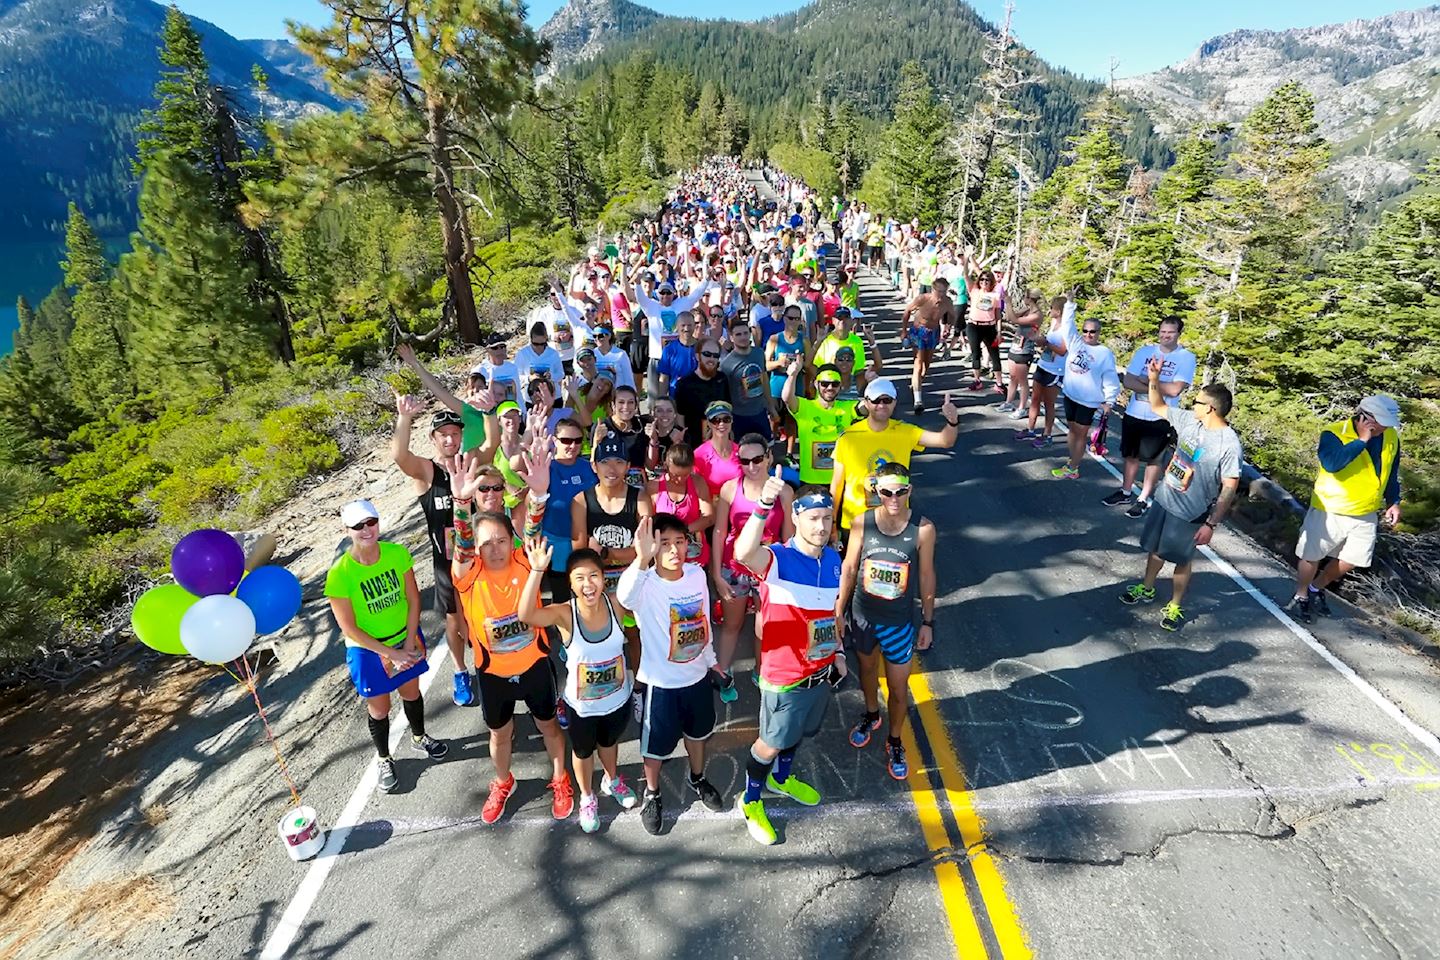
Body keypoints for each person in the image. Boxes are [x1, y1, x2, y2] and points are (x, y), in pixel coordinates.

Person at [449, 460, 573, 825]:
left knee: (548, 725)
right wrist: (460, 502)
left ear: (511, 540)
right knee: (499, 734)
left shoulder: (524, 560)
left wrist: (537, 494)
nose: (495, 548)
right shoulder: (468, 576)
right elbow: (462, 544)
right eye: (486, 543)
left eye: (502, 540)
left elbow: (532, 528)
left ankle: (560, 778)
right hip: (493, 674)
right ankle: (503, 782)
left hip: (534, 665)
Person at [732, 478, 844, 846]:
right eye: (813, 518)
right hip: (785, 677)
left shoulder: (832, 559)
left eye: (827, 518)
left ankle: (782, 779)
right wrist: (763, 505)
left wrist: (838, 652)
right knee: (770, 742)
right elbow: (744, 553)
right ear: (796, 518)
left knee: (796, 735)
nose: (821, 526)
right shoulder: (778, 558)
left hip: (821, 671)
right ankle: (750, 801)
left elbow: (830, 614)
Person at [325, 499, 448, 794]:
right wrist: (391, 654)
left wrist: (407, 643)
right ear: (347, 530)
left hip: (404, 637)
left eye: (371, 522)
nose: (366, 530)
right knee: (379, 708)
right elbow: (349, 627)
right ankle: (384, 757)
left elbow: (413, 599)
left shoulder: (396, 553)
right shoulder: (339, 574)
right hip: (368, 650)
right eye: (358, 526)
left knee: (411, 691)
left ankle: (419, 737)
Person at [616, 515, 728, 835]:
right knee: (654, 748)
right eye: (664, 543)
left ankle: (697, 778)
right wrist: (641, 557)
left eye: (679, 541)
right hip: (660, 685)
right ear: (653, 547)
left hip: (696, 679)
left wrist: (712, 662)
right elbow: (624, 598)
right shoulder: (644, 583)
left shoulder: (695, 575)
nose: (674, 550)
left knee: (698, 734)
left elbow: (702, 622)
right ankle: (652, 793)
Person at [518, 541, 640, 833]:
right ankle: (587, 796)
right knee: (583, 752)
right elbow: (526, 615)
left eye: (594, 576)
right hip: (582, 707)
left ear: (604, 577)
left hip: (617, 700)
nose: (588, 585)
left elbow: (639, 580)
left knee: (609, 744)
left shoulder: (616, 602)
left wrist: (644, 556)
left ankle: (612, 780)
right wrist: (537, 570)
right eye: (580, 578)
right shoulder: (563, 613)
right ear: (570, 584)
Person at [1119, 363, 1243, 632]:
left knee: (1182, 559)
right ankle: (1147, 587)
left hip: (1191, 512)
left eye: (1198, 401)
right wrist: (1153, 378)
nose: (1193, 404)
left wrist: (1210, 525)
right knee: (1155, 548)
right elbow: (1158, 407)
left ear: (1210, 407)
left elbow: (1230, 486)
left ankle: (1175, 605)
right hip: (1165, 499)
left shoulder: (1229, 444)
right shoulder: (1190, 420)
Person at [390, 396, 493, 707]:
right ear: (434, 439)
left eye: (455, 433)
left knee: (484, 615)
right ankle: (461, 671)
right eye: (443, 434)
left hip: (478, 558)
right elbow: (399, 456)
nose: (450, 439)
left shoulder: (471, 461)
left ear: (461, 436)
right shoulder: (427, 471)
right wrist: (404, 418)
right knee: (453, 620)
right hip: (446, 562)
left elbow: (493, 441)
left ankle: (487, 666)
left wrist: (487, 411)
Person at [838, 462, 935, 779]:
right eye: (886, 492)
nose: (894, 498)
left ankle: (895, 740)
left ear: (910, 490)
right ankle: (870, 713)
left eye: (901, 491)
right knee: (866, 670)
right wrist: (839, 611)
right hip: (864, 618)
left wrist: (927, 622)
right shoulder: (861, 523)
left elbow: (926, 575)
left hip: (898, 625)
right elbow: (850, 568)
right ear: (876, 491)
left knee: (897, 687)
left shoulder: (922, 529)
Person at [1285, 395, 1404, 624]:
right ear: (1365, 417)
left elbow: (1391, 472)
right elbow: (1332, 464)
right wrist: (1361, 441)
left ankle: (1315, 588)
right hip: (1331, 507)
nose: (1385, 426)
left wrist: (1393, 501)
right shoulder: (1334, 432)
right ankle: (1300, 596)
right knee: (1312, 555)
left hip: (1365, 511)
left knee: (1353, 558)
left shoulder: (1390, 437)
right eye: (1381, 421)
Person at [711, 435, 795, 701]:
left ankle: (762, 671)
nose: (751, 466)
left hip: (767, 570)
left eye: (757, 459)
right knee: (732, 624)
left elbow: (789, 540)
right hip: (733, 568)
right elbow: (719, 530)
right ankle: (723, 672)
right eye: (744, 461)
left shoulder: (784, 491)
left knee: (764, 625)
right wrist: (716, 573)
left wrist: (788, 578)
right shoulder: (729, 489)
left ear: (769, 457)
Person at [831, 380, 959, 547]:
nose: (882, 405)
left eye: (887, 400)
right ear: (866, 403)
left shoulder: (905, 431)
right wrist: (832, 523)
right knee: (852, 571)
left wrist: (952, 421)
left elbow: (945, 441)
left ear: (895, 403)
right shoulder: (848, 437)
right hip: (856, 522)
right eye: (876, 401)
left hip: (894, 522)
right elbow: (837, 485)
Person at [1103, 318, 1197, 517]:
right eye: (1162, 332)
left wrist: (1148, 380)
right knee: (1131, 454)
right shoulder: (1145, 352)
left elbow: (1175, 390)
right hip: (1134, 412)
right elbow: (1128, 381)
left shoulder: (1186, 358)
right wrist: (1156, 384)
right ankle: (1125, 491)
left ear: (1179, 334)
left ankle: (1143, 498)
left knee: (1154, 459)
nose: (1165, 336)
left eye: (1170, 333)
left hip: (1160, 417)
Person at [572, 433, 652, 597]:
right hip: (595, 587)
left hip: (634, 581)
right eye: (605, 462)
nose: (612, 469)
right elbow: (580, 553)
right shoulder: (581, 501)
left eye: (619, 462)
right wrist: (625, 553)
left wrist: (605, 553)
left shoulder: (640, 498)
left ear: (628, 466)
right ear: (594, 466)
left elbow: (647, 549)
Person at [631, 275, 716, 410]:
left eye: (668, 292)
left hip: (677, 356)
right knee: (655, 398)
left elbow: (695, 295)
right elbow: (640, 297)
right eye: (662, 293)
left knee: (677, 395)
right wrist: (637, 284)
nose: (665, 296)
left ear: (673, 294)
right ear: (657, 294)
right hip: (657, 358)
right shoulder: (651, 306)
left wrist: (706, 279)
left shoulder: (681, 305)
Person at [1051, 316, 1120, 481]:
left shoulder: (1104, 353)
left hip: (1087, 402)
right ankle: (1072, 459)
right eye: (1085, 331)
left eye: (1092, 332)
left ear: (1098, 333)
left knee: (1080, 435)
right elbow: (1068, 325)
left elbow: (1110, 377)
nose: (1088, 335)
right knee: (1072, 431)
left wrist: (1110, 400)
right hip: (1069, 395)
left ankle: (1073, 468)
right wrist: (1070, 304)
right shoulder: (1076, 344)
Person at [540, 417, 599, 604]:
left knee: (587, 591)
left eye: (578, 440)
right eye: (566, 440)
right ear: (554, 441)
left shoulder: (587, 467)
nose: (572, 445)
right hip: (556, 542)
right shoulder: (546, 468)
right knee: (561, 595)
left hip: (587, 540)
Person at [783, 359, 860, 487]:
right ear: (815, 384)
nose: (829, 388)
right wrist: (792, 375)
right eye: (824, 384)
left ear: (841, 386)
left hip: (839, 481)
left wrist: (873, 387)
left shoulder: (848, 407)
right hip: (810, 481)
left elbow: (868, 406)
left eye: (835, 384)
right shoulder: (804, 407)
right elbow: (787, 398)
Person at [649, 442, 714, 570]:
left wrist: (684, 529)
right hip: (665, 557)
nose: (680, 480)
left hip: (695, 555)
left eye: (686, 475)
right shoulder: (654, 487)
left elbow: (710, 517)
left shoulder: (697, 482)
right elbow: (648, 522)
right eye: (675, 475)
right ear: (666, 466)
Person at [1016, 297, 1071, 449]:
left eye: (1052, 308)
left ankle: (1047, 435)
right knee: (1034, 399)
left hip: (1055, 371)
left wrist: (1046, 343)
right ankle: (1031, 429)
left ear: (1059, 311)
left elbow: (1062, 350)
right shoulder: (1054, 324)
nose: (1049, 311)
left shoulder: (1066, 328)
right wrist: (1039, 340)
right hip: (1043, 365)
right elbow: (1049, 342)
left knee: (1049, 404)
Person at [899, 277, 955, 414]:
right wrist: (904, 331)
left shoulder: (947, 302)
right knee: (918, 363)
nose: (941, 294)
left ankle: (917, 382)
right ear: (933, 289)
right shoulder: (923, 299)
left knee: (927, 364)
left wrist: (948, 327)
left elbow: (952, 316)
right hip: (918, 331)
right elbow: (907, 312)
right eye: (938, 291)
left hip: (933, 333)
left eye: (943, 291)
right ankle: (918, 400)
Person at [720, 317, 775, 440]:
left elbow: (764, 380)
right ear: (731, 337)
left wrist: (771, 406)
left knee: (766, 449)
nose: (743, 337)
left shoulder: (759, 353)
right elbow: (724, 394)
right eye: (738, 334)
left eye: (745, 333)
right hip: (739, 416)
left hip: (760, 412)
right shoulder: (726, 364)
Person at [674, 337, 730, 448]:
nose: (711, 359)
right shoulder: (684, 384)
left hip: (720, 443)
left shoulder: (722, 379)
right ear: (697, 356)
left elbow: (728, 410)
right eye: (707, 354)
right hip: (694, 445)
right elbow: (680, 419)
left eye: (715, 355)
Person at [999, 291, 1043, 420]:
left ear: (1030, 298)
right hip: (1015, 346)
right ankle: (1009, 402)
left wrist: (1008, 303)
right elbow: (1008, 317)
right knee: (1013, 378)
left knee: (1023, 382)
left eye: (1025, 296)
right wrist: (1008, 305)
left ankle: (1022, 408)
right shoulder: (1027, 309)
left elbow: (1015, 319)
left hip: (1025, 349)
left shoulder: (1037, 315)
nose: (1023, 298)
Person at [964, 268, 1005, 394]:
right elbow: (966, 275)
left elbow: (998, 315)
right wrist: (966, 259)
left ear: (991, 281)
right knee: (976, 353)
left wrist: (999, 331)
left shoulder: (995, 295)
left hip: (989, 327)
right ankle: (977, 380)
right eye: (982, 279)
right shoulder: (974, 291)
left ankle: (999, 383)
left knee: (994, 355)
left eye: (987, 280)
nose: (984, 282)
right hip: (974, 326)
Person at [655, 312, 698, 399]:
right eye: (683, 325)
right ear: (676, 327)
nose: (686, 329)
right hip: (676, 397)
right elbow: (664, 378)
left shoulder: (702, 348)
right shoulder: (669, 349)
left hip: (698, 396)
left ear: (694, 326)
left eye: (689, 325)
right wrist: (662, 400)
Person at [514, 321, 565, 390]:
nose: (539, 347)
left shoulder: (553, 353)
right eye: (535, 344)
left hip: (552, 395)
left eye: (542, 344)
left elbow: (561, 374)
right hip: (530, 396)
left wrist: (551, 376)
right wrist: (529, 378)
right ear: (531, 340)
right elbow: (515, 376)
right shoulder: (522, 354)